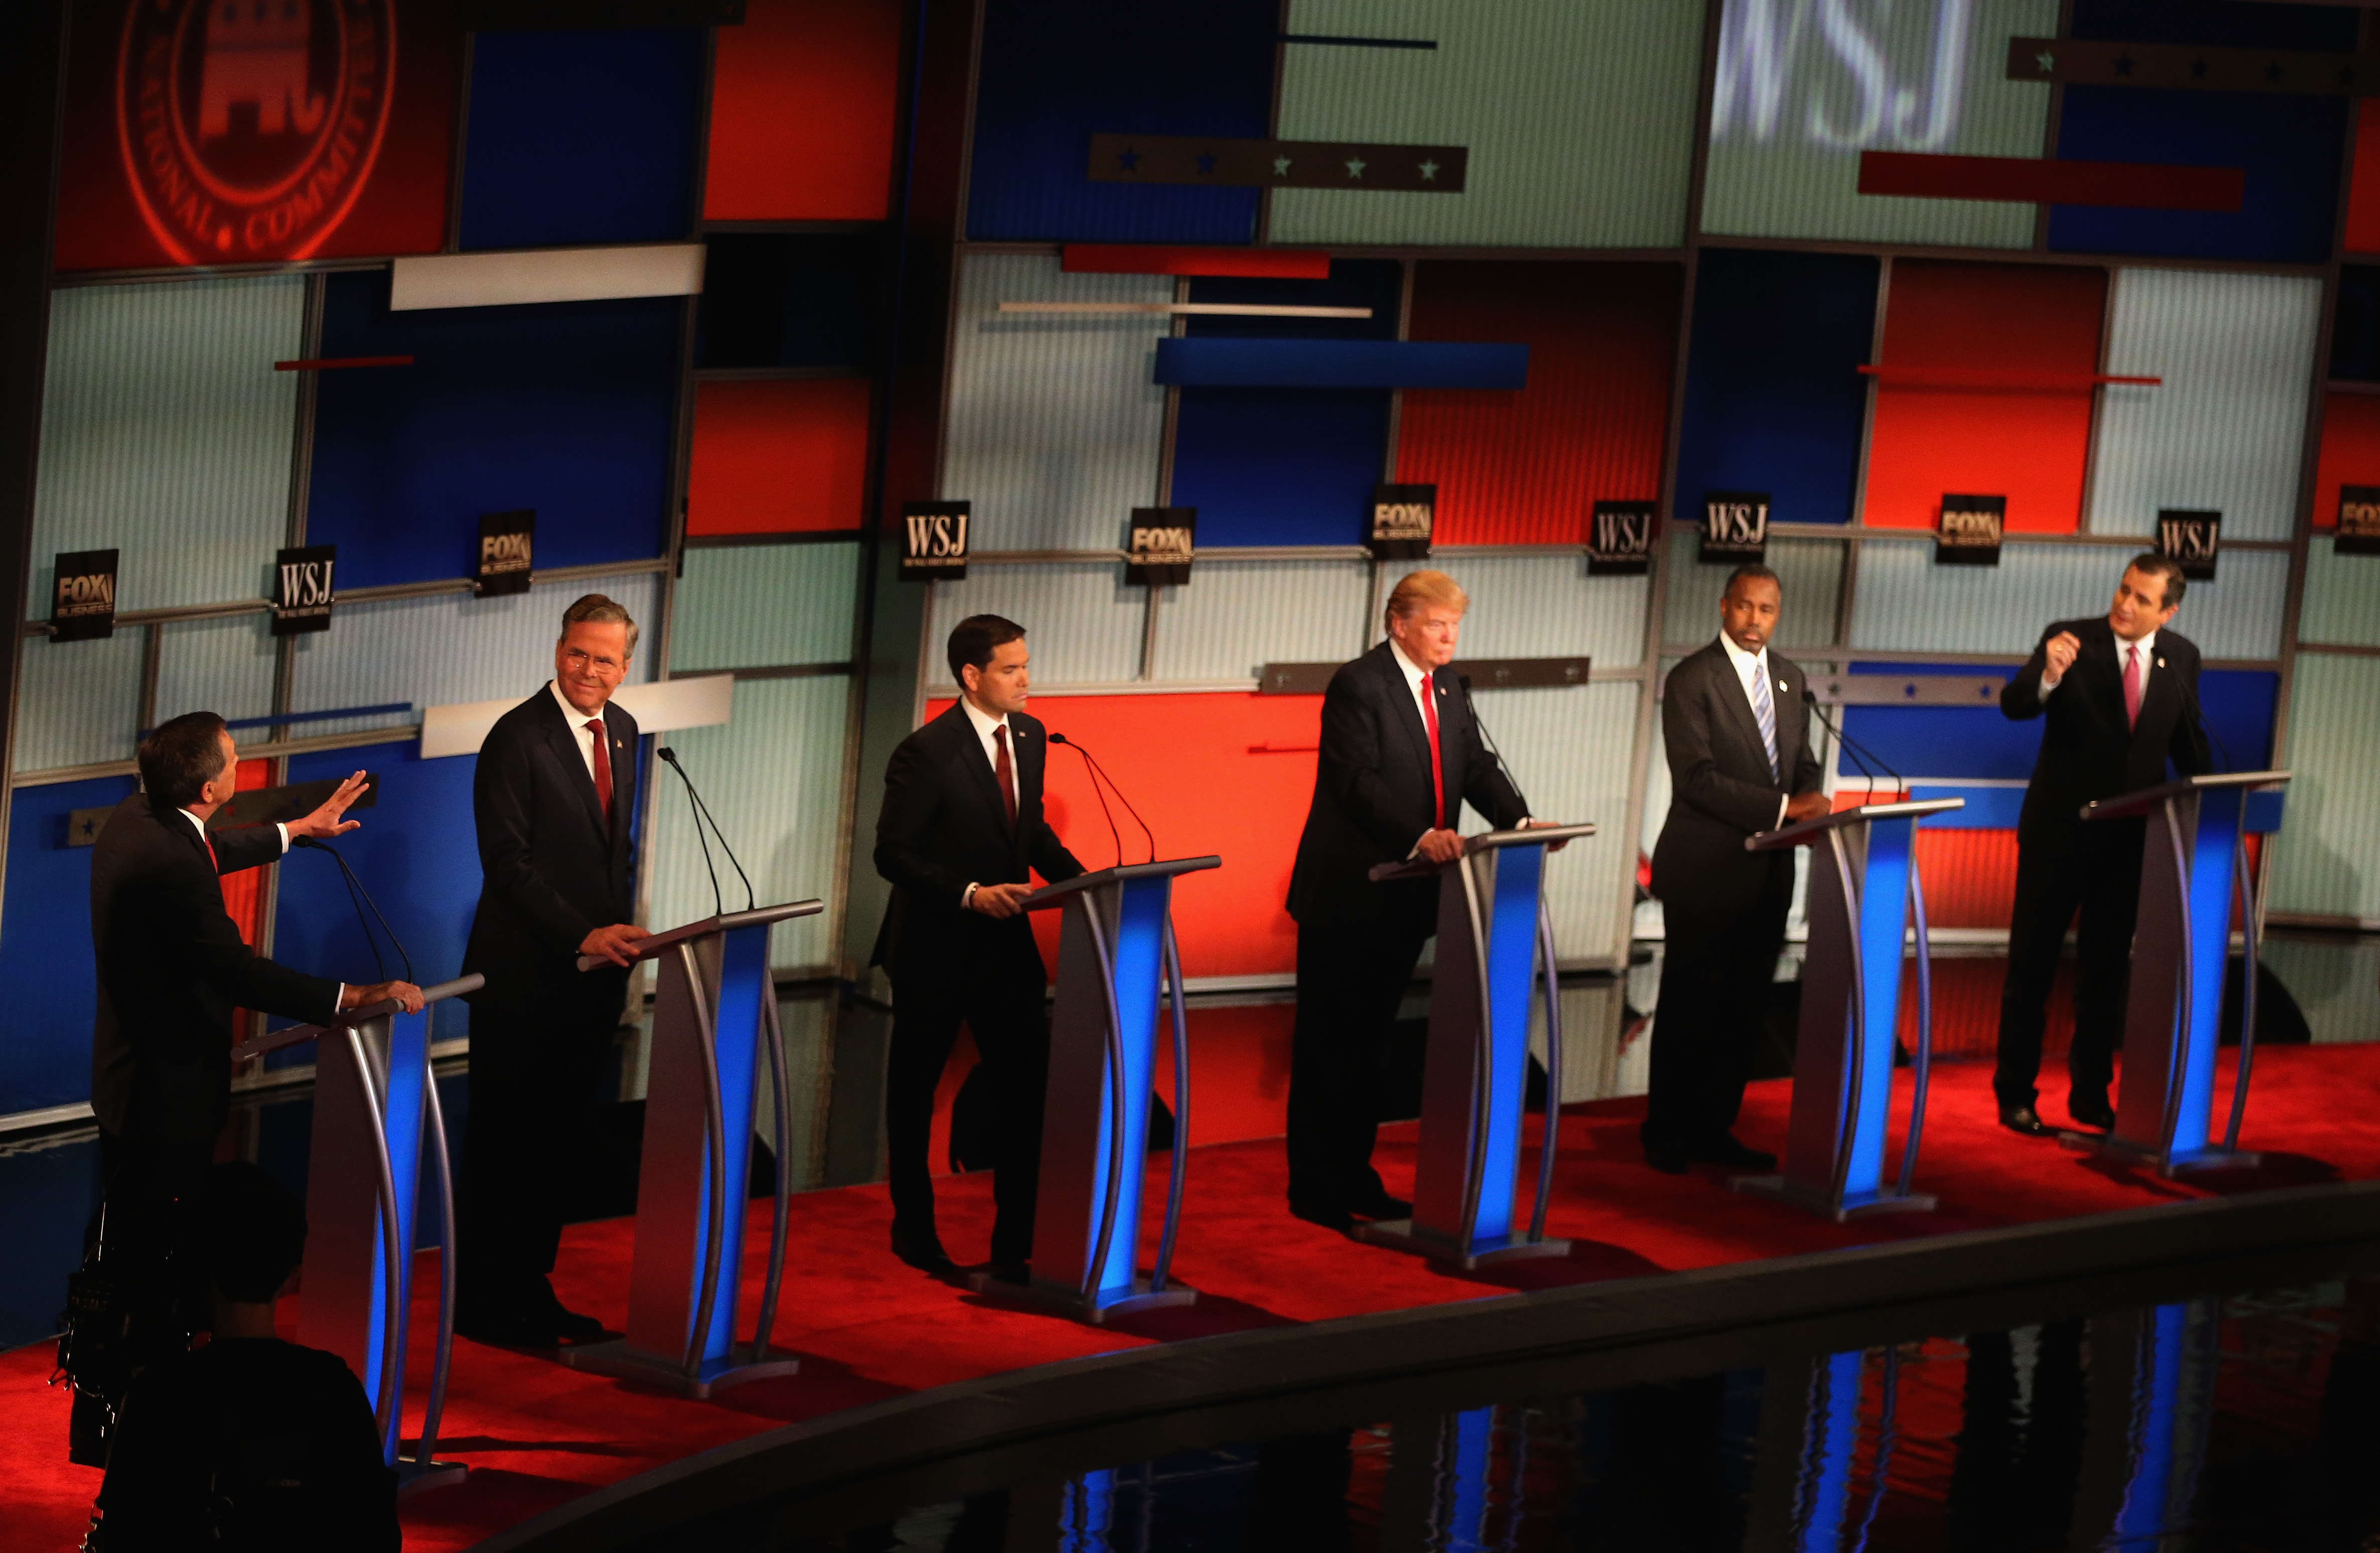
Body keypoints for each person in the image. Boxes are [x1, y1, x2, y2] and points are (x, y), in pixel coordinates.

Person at [77, 712, 420, 1461]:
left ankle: (126, 1402)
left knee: (131, 1247)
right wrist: (348, 998)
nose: (240, 769)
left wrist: (297, 831)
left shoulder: (139, 819)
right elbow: (237, 971)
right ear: (210, 786)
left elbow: (209, 848)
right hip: (164, 1092)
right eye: (234, 763)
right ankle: (139, 1420)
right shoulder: (169, 862)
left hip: (131, 1077)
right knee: (151, 1261)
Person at [1284, 570, 1547, 1231]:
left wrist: (1517, 822)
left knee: (1371, 1049)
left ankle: (1355, 1176)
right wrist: (1419, 834)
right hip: (1348, 895)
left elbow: (1475, 764)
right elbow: (1353, 780)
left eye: (1455, 624)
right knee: (1330, 1049)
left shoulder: (1451, 688)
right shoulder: (1358, 684)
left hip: (1407, 899)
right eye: (1437, 624)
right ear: (1398, 624)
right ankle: (1314, 1190)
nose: (1449, 635)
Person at [458, 594, 648, 1345]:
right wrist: (584, 932)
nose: (589, 670)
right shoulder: (518, 738)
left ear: (626, 665)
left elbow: (614, 854)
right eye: (578, 653)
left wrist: (615, 940)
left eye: (605, 659)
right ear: (558, 650)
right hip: (523, 980)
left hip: (593, 980)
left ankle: (529, 1287)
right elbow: (508, 866)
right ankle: (481, 1301)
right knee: (506, 1145)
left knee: (556, 1147)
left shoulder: (627, 732)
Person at [872, 614, 1084, 1279]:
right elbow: (892, 854)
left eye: (1026, 664)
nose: (1026, 679)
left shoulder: (1027, 736)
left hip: (1005, 952)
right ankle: (915, 1231)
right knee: (914, 1097)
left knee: (1026, 1094)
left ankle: (1014, 1244)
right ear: (972, 676)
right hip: (934, 948)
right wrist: (966, 892)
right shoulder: (925, 752)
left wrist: (1087, 885)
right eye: (1011, 668)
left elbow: (1031, 832)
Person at [1994, 554, 2207, 1136]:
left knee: (2105, 979)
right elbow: (2015, 705)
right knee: (2030, 973)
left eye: (2142, 599)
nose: (2125, 604)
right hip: (2057, 839)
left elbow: (2189, 745)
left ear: (2169, 610)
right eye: (2123, 590)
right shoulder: (2070, 640)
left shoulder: (2180, 658)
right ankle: (2015, 1093)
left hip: (2129, 846)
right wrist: (2047, 676)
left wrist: (2216, 795)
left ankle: (2090, 1096)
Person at [93, 1160, 400, 1551]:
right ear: (293, 1278)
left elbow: (125, 1536)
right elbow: (376, 1534)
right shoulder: (334, 1388)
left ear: (196, 1271)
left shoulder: (159, 1395)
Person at [1644, 563, 1828, 1176]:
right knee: (1691, 1007)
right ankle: (1666, 1130)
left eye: (1767, 610)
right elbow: (1695, 779)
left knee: (1742, 1010)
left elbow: (1803, 760)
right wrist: (1784, 808)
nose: (1755, 621)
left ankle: (1713, 1127)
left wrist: (1810, 796)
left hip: (1769, 874)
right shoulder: (1692, 679)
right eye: (1745, 607)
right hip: (1706, 871)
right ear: (1724, 608)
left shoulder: (1790, 678)